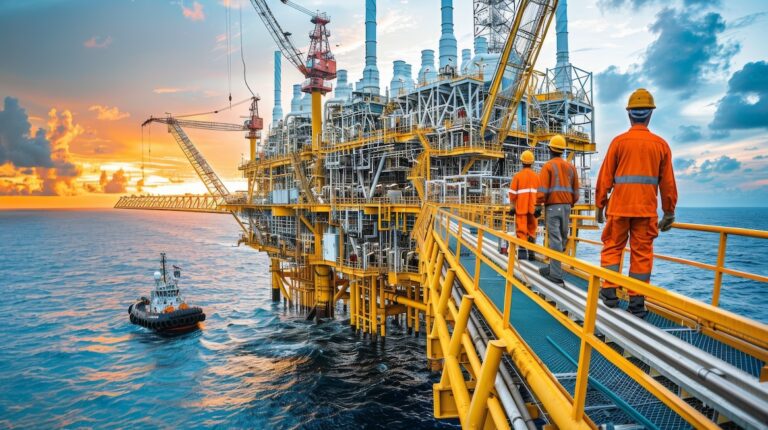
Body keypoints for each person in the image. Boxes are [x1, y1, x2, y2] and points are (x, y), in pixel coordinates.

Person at [595, 88, 677, 318]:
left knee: (613, 247)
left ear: (629, 114)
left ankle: (609, 293)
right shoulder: (660, 145)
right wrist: (669, 212)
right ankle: (637, 302)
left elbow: (605, 177)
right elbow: (668, 184)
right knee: (642, 253)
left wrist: (600, 205)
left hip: (619, 208)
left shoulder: (618, 142)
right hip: (645, 210)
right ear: (650, 114)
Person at [537, 135, 580, 286]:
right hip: (567, 207)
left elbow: (542, 190)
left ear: (550, 149)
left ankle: (555, 275)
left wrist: (537, 205)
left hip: (552, 207)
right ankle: (553, 267)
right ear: (562, 150)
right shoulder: (571, 167)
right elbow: (576, 191)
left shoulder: (548, 166)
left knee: (555, 239)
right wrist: (570, 203)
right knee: (562, 237)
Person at [508, 150, 541, 261]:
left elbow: (512, 194)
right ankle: (531, 254)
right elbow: (540, 193)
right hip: (533, 209)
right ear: (532, 162)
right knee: (532, 231)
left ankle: (522, 256)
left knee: (521, 231)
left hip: (521, 209)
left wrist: (512, 207)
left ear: (521, 162)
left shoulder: (517, 176)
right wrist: (539, 206)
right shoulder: (537, 177)